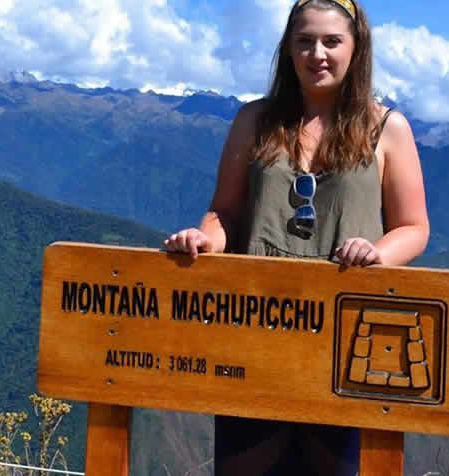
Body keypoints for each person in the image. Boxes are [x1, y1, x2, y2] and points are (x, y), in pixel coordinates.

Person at [162, 0, 429, 474]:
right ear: (288, 49)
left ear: (356, 48)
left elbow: (414, 228)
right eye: (304, 41)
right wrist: (205, 240)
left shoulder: (388, 130)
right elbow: (224, 212)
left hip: (346, 341)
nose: (317, 54)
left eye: (331, 41)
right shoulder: (254, 122)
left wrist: (378, 253)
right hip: (256, 333)